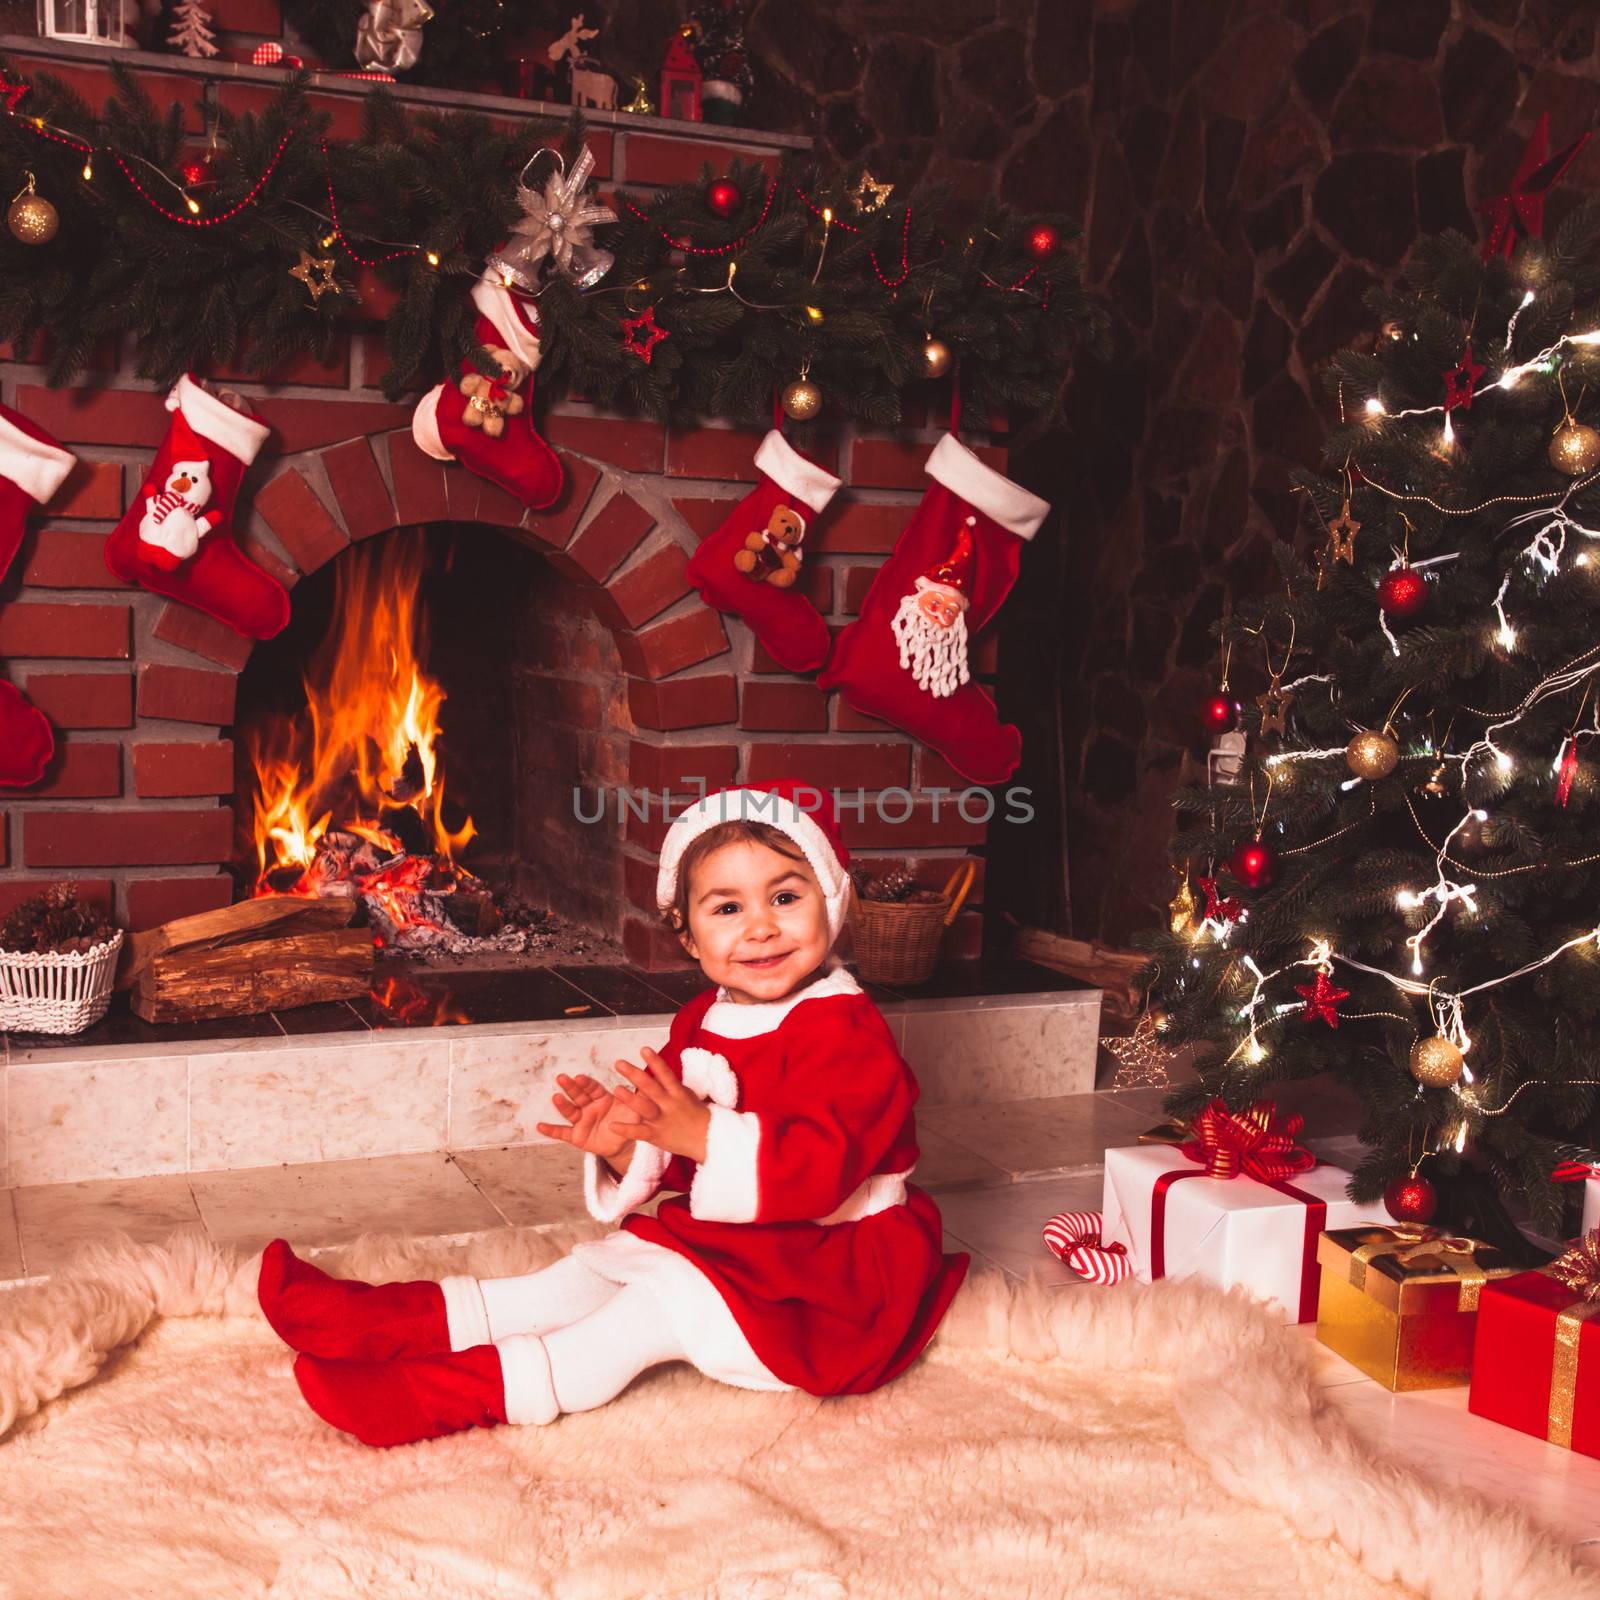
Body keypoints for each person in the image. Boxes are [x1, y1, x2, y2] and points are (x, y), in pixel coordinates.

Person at [257, 778, 970, 1447]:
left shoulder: (849, 1032)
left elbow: (823, 1168)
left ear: (831, 905)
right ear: (689, 938)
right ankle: (389, 1320)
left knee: (637, 1318)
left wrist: (704, 1134)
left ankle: (451, 1392)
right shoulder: (704, 1017)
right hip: (750, 1244)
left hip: (831, 1274)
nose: (759, 928)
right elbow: (684, 1146)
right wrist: (631, 1146)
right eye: (727, 908)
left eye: (785, 898)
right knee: (582, 1277)